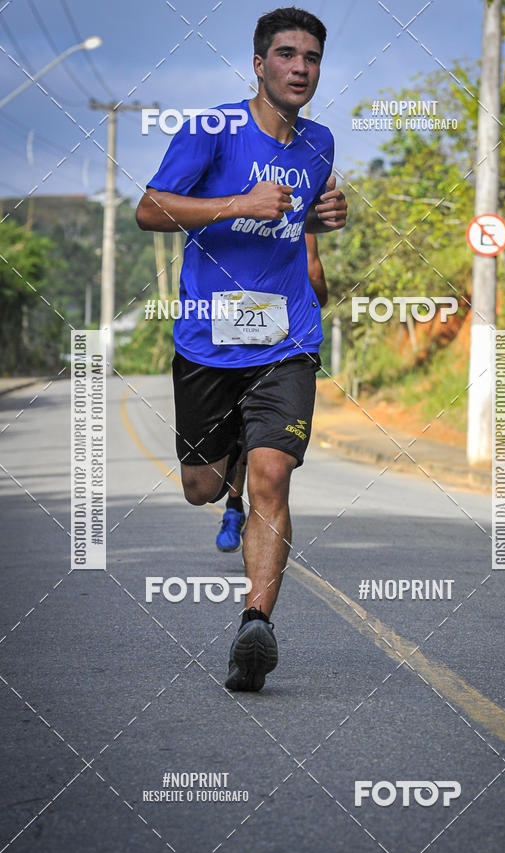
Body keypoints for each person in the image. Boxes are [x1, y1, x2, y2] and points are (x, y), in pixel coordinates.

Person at [136, 6, 347, 692]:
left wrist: (324, 218)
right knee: (201, 487)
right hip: (209, 339)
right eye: (286, 55)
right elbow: (149, 209)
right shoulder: (211, 129)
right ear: (259, 64)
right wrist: (237, 203)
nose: (300, 68)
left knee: (272, 477)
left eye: (311, 58)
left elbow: (294, 221)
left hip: (287, 338)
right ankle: (227, 475)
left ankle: (256, 624)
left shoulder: (319, 142)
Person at [215, 231, 328, 553]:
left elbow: (314, 279)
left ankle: (235, 508)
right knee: (244, 437)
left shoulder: (225, 209)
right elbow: (315, 278)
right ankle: (236, 507)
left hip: (257, 344)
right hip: (248, 345)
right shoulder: (295, 213)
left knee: (250, 437)